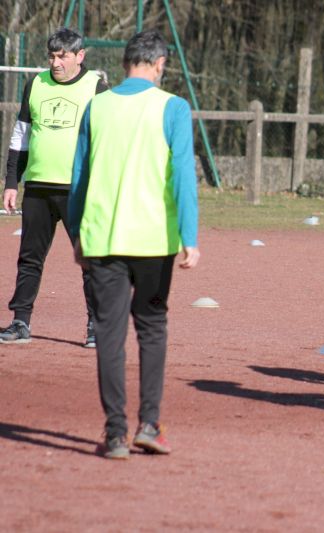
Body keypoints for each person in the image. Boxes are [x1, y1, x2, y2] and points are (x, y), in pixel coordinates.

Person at [68, 30, 200, 459]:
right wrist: (190, 237)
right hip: (153, 242)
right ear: (160, 64)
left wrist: (77, 233)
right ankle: (148, 424)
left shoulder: (97, 106)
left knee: (109, 334)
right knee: (152, 326)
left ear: (126, 64)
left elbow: (79, 177)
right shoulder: (173, 107)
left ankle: (114, 433)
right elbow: (183, 175)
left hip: (103, 239)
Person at [1, 28, 107, 347]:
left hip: (79, 190)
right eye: (51, 56)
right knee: (29, 258)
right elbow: (20, 136)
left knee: (90, 259)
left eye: (63, 56)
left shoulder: (97, 87)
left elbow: (108, 139)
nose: (56, 62)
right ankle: (20, 321)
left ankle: (97, 326)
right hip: (38, 188)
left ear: (80, 56)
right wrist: (11, 182)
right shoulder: (35, 84)